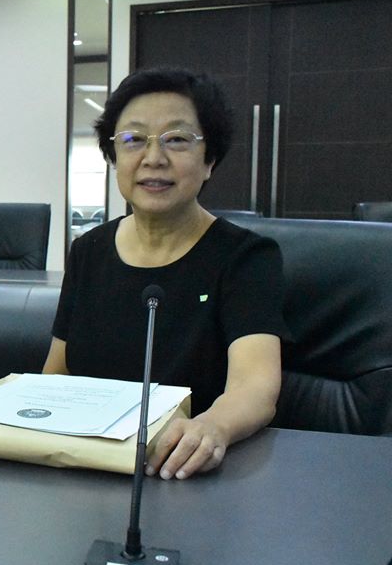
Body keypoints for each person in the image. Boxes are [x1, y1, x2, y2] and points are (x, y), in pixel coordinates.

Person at [43, 68, 289, 480]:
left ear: (209, 161)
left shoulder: (247, 257)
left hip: (186, 471)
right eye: (133, 139)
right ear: (113, 157)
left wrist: (212, 427)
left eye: (176, 139)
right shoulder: (88, 250)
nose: (153, 158)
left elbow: (255, 388)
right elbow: (56, 374)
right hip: (87, 467)